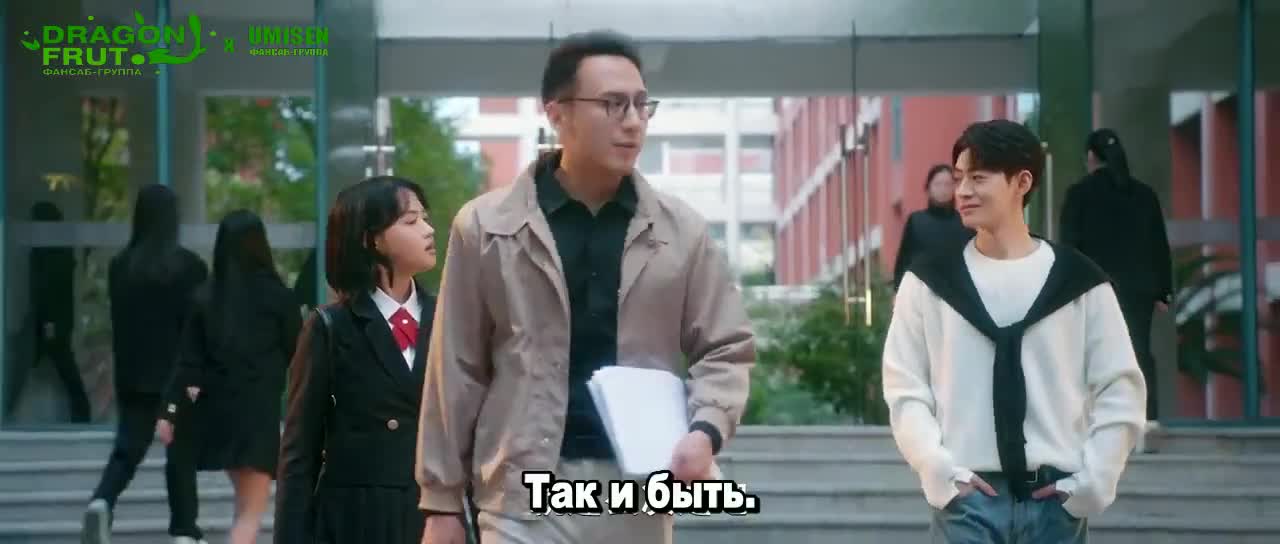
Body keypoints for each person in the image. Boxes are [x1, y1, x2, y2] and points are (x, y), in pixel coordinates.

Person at [416, 30, 755, 544]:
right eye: (613, 104)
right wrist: (441, 502)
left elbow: (726, 347)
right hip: (522, 495)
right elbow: (456, 367)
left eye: (642, 105)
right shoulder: (486, 226)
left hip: (638, 493)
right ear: (557, 113)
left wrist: (705, 429)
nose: (633, 121)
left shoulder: (681, 231)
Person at [881, 119, 1148, 543]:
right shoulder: (928, 283)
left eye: (978, 178)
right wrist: (938, 470)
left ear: (1022, 182)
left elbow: (1120, 387)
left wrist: (1092, 483)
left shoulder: (1079, 282)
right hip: (966, 500)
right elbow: (905, 388)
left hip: (1055, 502)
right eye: (959, 178)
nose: (962, 191)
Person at [276, 175, 439, 544]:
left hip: (432, 518)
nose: (428, 230)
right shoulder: (331, 327)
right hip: (355, 521)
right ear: (371, 239)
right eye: (411, 221)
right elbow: (299, 456)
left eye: (426, 219)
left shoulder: (450, 318)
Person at [155, 210, 301, 544]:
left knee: (244, 508)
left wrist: (170, 411)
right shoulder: (279, 298)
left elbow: (187, 364)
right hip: (258, 416)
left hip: (217, 416)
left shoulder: (205, 298)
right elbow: (300, 355)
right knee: (250, 515)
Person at [82, 184, 209, 544]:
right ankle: (184, 530)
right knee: (180, 453)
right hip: (177, 377)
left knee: (128, 449)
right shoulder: (190, 267)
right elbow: (200, 326)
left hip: (134, 375)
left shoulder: (121, 267)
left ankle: (102, 501)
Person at [1060, 128, 1173, 424]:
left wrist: (1066, 292)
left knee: (1094, 354)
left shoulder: (1079, 194)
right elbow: (1158, 244)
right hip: (1139, 290)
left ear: (1091, 157)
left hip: (1095, 289)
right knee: (1138, 350)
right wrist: (1163, 291)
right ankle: (1146, 419)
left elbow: (1069, 248)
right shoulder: (1144, 194)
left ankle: (1098, 420)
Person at [3, 201, 92, 423]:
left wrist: (48, 325)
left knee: (32, 368)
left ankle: (5, 410)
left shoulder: (51, 253)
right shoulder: (55, 251)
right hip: (48, 321)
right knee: (53, 369)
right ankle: (82, 414)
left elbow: (49, 291)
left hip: (48, 321)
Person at [892, 164, 974, 290]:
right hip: (922, 291)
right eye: (938, 184)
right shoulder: (916, 221)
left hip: (957, 293)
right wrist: (898, 290)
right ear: (928, 188)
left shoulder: (966, 222)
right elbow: (903, 260)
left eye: (947, 184)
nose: (943, 189)